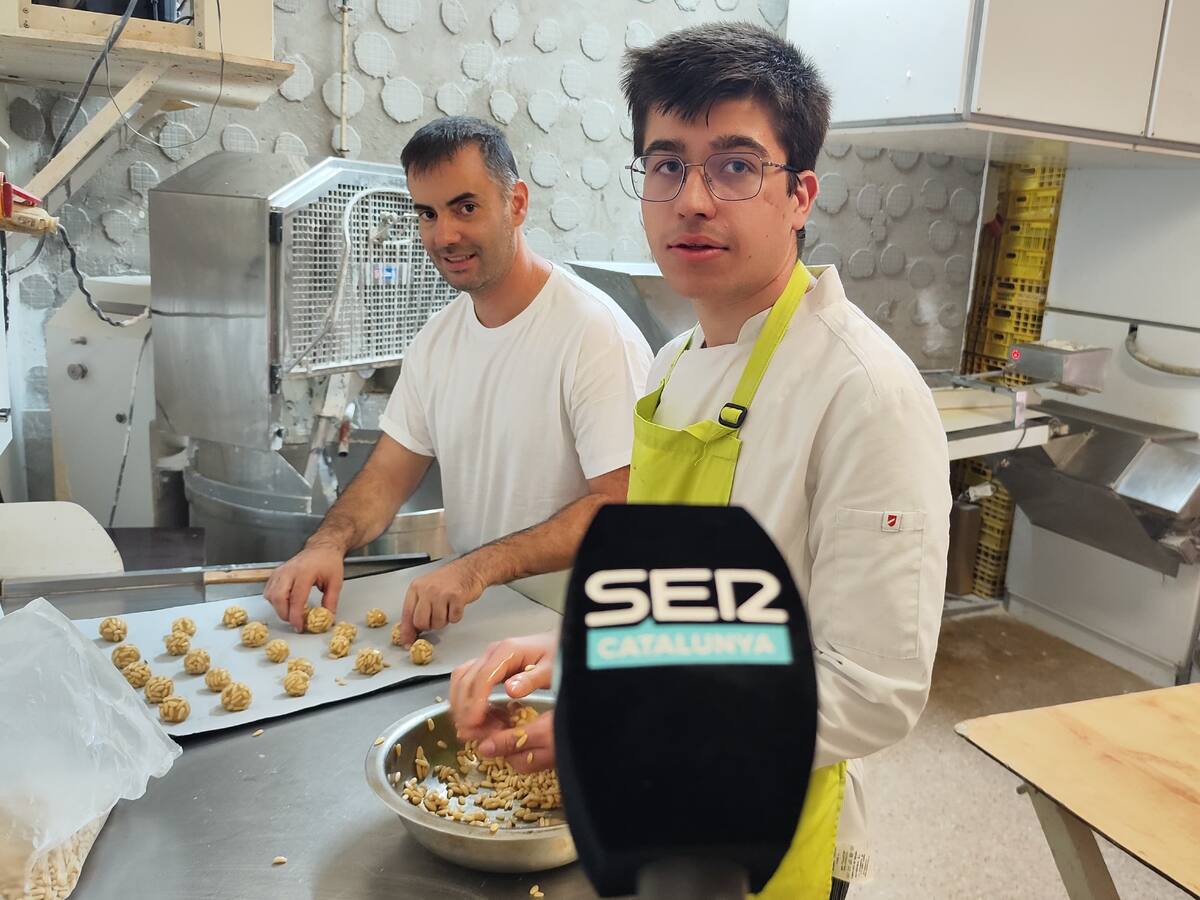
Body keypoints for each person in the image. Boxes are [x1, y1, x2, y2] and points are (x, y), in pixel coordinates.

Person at [450, 24, 951, 900]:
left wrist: (621, 724)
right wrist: (580, 654)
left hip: (774, 839)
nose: (691, 200)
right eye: (666, 164)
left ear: (799, 195)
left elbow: (875, 691)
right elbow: (682, 603)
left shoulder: (864, 392)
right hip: (658, 818)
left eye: (735, 166)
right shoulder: (675, 365)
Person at [265, 117, 652, 645]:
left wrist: (475, 568)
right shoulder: (437, 340)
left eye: (465, 208)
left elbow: (621, 506)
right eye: (428, 213)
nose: (444, 236)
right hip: (471, 628)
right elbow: (387, 475)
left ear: (517, 203)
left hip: (569, 636)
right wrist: (326, 544)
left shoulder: (593, 333)